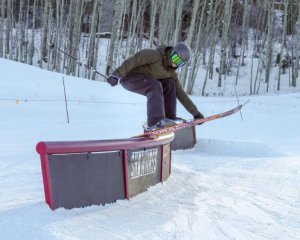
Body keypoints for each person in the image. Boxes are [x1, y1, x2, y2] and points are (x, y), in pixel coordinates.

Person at [106, 42, 204, 130]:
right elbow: (133, 60)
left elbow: (181, 94)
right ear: (171, 52)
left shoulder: (171, 73)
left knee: (170, 84)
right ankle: (156, 122)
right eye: (175, 58)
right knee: (155, 85)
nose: (175, 63)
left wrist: (195, 113)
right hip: (129, 78)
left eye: (179, 62)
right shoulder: (154, 55)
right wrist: (116, 74)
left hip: (147, 81)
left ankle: (169, 117)